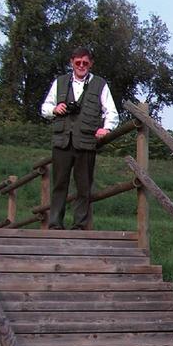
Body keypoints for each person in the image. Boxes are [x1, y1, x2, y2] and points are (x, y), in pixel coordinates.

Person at [40, 47, 119, 230]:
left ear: (91, 63)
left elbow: (111, 112)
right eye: (78, 62)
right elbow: (44, 108)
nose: (81, 66)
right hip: (62, 142)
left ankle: (79, 226)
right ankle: (55, 225)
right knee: (59, 184)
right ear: (71, 63)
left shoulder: (100, 84)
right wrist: (54, 109)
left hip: (86, 142)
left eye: (85, 62)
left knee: (84, 187)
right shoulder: (60, 82)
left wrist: (106, 129)